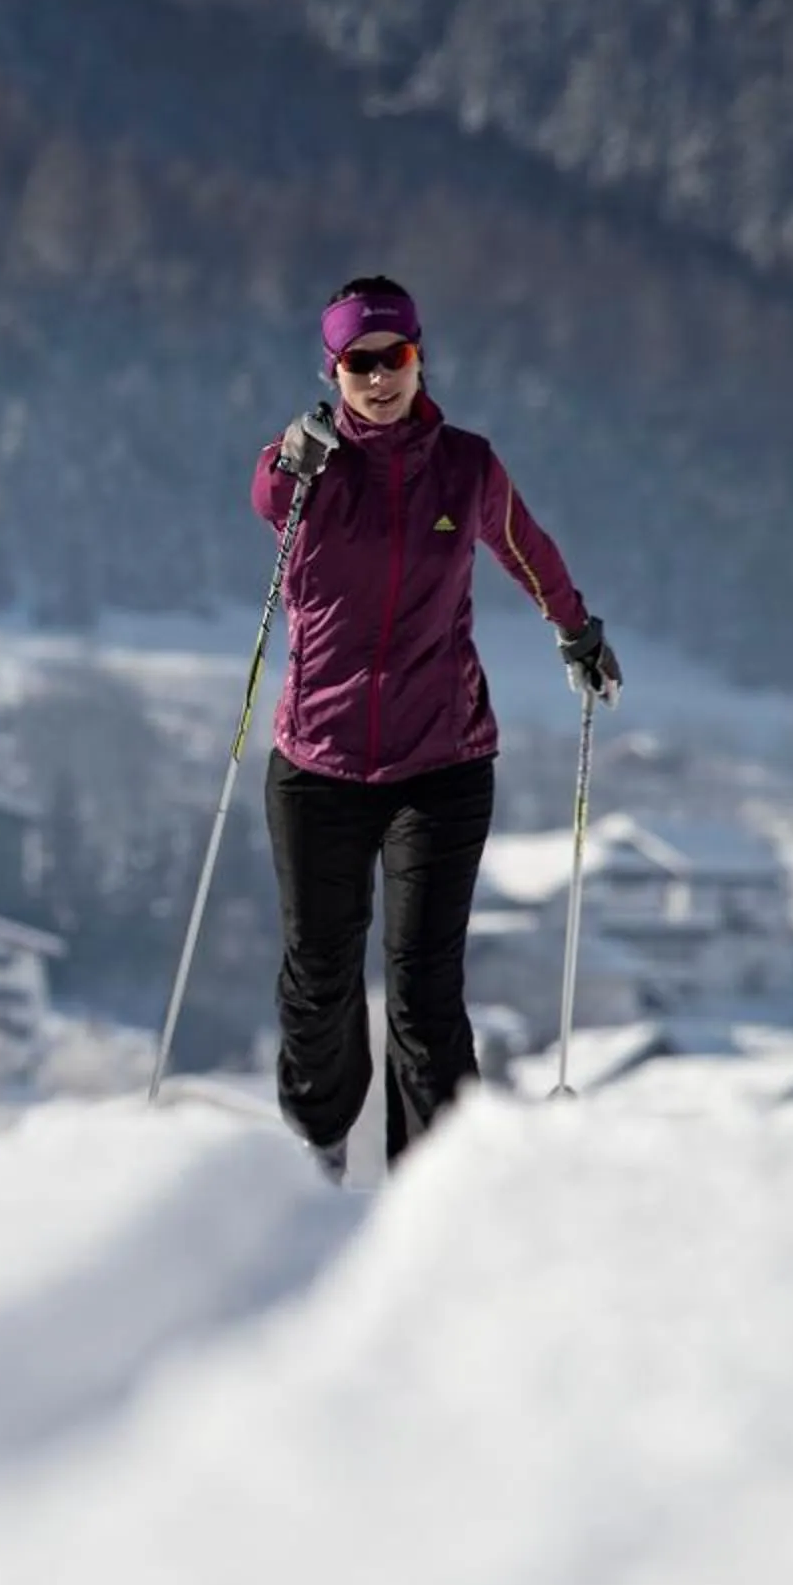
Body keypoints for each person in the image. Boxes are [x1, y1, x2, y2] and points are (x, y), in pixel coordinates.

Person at [255, 274, 624, 1179]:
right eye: (360, 363)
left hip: (442, 762)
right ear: (334, 372)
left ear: (421, 358)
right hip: (319, 763)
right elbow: (267, 492)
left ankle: (437, 1192)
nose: (381, 377)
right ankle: (316, 1155)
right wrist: (292, 456)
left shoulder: (467, 467)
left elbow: (527, 549)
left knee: (424, 993)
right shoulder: (309, 473)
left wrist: (575, 628)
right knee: (318, 978)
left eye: (398, 356)